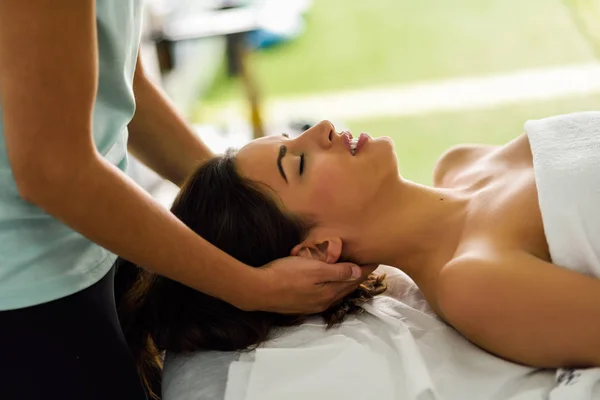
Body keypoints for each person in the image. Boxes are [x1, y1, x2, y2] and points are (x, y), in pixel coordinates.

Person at [0, 3, 375, 400]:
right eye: (292, 158)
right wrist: (250, 286)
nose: (324, 127)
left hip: (94, 236)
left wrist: (229, 201)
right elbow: (54, 172)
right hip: (25, 288)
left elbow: (124, 83)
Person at [118, 115, 600, 397]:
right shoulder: (473, 282)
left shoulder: (462, 162)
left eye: (293, 136)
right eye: (300, 163)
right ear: (318, 251)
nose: (323, 128)